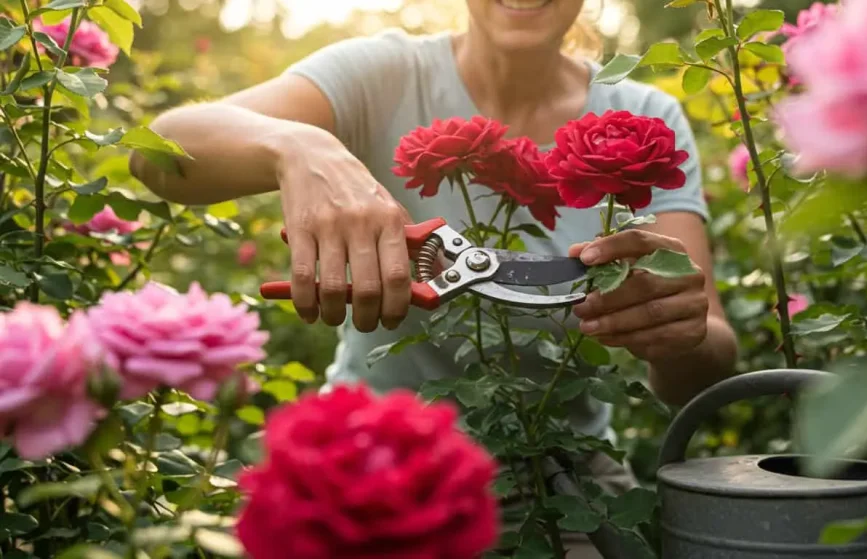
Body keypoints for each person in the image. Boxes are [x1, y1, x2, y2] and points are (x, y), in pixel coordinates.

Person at [131, 1, 739, 556]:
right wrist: (297, 145)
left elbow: (705, 365)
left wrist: (679, 331)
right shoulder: (384, 73)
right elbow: (158, 154)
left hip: (566, 490)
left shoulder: (643, 114)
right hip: (368, 474)